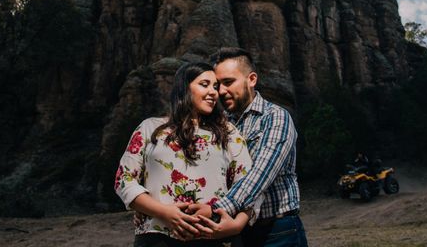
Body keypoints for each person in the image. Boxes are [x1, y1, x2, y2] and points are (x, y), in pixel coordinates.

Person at [114, 61, 255, 247]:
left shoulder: (227, 132)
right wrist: (164, 212)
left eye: (215, 86)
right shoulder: (150, 128)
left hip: (212, 236)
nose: (213, 92)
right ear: (184, 88)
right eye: (204, 85)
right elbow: (123, 180)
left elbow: (248, 187)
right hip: (157, 236)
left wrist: (237, 226)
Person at [191, 47, 308, 246]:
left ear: (251, 79)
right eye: (218, 85)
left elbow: (260, 175)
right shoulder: (221, 124)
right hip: (238, 232)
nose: (221, 91)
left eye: (228, 82)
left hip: (278, 231)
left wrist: (214, 210)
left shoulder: (275, 117)